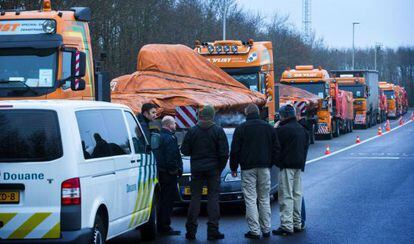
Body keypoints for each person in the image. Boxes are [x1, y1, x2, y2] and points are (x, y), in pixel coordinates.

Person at [230, 104, 280, 239]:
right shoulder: (268, 128)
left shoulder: (241, 129)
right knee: (264, 198)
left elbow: (235, 151)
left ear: (246, 114)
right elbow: (276, 148)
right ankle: (266, 229)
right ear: (258, 113)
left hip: (247, 168)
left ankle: (254, 230)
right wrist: (269, 164)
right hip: (264, 167)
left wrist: (234, 168)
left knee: (251, 199)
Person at [181, 105, 229, 241]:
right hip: (213, 169)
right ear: (212, 116)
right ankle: (213, 231)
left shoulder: (192, 131)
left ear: (201, 116)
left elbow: (185, 150)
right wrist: (219, 168)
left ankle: (190, 231)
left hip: (197, 169)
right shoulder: (218, 131)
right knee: (213, 199)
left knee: (195, 198)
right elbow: (224, 153)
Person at [273, 104, 309, 236]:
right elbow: (305, 147)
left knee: (286, 195)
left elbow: (275, 147)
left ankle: (287, 225)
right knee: (297, 195)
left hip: (286, 166)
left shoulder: (282, 130)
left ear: (283, 116)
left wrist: (275, 129)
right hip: (298, 166)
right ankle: (297, 223)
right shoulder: (301, 129)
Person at [156, 116, 183, 235]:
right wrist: (175, 171)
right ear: (168, 125)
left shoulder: (159, 137)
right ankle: (165, 226)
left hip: (161, 173)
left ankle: (160, 224)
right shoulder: (170, 138)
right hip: (168, 174)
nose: (176, 125)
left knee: (161, 200)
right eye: (174, 123)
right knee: (168, 201)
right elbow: (172, 156)